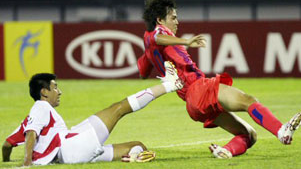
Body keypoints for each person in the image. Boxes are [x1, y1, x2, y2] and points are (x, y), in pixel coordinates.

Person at [137, 0, 301, 159]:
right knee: (248, 100)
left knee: (249, 135)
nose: (177, 22)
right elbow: (157, 37)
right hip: (199, 89)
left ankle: (226, 151)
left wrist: (154, 60)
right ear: (160, 20)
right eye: (173, 18)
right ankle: (282, 131)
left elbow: (143, 72)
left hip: (192, 104)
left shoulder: (149, 49)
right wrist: (185, 42)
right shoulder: (157, 34)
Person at [2, 61, 182, 166]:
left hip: (73, 149)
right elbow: (31, 134)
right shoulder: (40, 106)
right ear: (44, 92)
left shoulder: (28, 120)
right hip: (72, 146)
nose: (60, 91)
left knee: (139, 145)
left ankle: (133, 157)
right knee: (118, 108)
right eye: (55, 87)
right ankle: (170, 84)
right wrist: (26, 163)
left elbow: (6, 146)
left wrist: (8, 161)